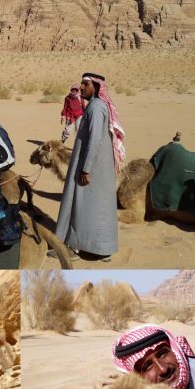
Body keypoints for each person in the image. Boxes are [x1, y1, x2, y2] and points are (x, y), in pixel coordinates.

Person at [54, 72, 125, 262]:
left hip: (91, 166)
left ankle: (71, 246)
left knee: (80, 204)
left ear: (96, 86)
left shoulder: (96, 108)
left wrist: (86, 168)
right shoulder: (95, 106)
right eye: (81, 84)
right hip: (98, 166)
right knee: (98, 208)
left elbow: (94, 140)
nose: (82, 88)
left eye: (85, 84)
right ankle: (101, 248)